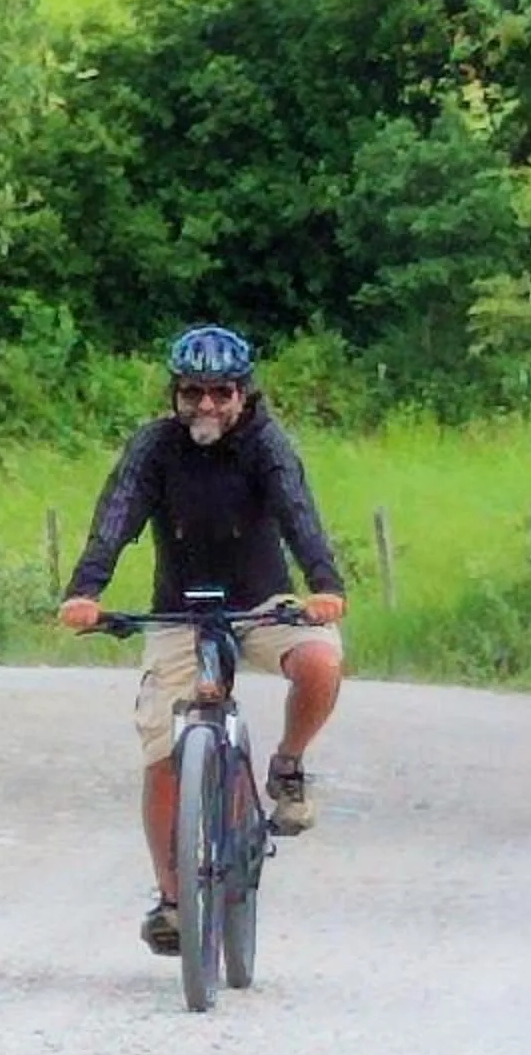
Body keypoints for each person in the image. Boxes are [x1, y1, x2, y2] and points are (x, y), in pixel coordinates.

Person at [57, 324, 349, 956]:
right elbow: (117, 514)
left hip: (265, 605)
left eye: (221, 393)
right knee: (163, 753)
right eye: (193, 393)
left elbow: (299, 513)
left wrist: (324, 584)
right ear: (175, 393)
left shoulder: (267, 445)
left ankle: (289, 766)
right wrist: (86, 591)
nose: (207, 407)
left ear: (243, 394)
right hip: (178, 614)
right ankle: (172, 901)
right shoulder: (155, 448)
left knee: (323, 662)